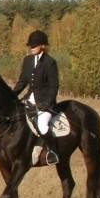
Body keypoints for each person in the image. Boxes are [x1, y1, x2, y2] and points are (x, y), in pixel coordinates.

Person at [12, 30, 60, 165]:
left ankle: (53, 152)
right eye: (30, 45)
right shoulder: (27, 60)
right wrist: (12, 95)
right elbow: (22, 82)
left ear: (42, 46)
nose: (31, 48)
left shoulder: (50, 63)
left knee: (42, 125)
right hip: (29, 98)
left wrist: (48, 103)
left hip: (45, 101)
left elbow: (54, 86)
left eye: (34, 45)